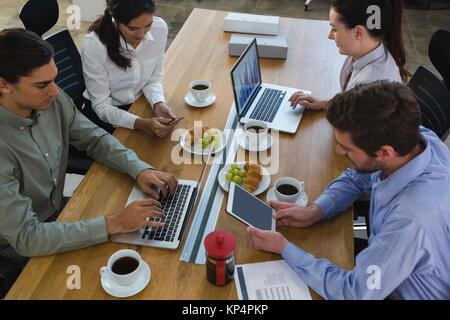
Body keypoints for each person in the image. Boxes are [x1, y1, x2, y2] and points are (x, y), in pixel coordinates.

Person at [0, 28, 178, 297]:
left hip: (55, 215)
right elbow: (27, 237)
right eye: (41, 85)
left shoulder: (52, 99)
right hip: (14, 246)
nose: (55, 92)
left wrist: (138, 168)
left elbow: (93, 138)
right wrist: (114, 223)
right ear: (4, 85)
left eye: (54, 80)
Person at [247, 81, 450, 299]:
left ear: (385, 152)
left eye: (347, 148)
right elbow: (358, 177)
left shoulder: (409, 223)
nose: (338, 150)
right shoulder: (414, 139)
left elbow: (353, 292)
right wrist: (316, 211)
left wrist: (285, 248)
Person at [81, 0, 177, 137]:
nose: (142, 35)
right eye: (132, 29)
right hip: (104, 117)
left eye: (148, 25)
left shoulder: (159, 29)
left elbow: (152, 79)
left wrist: (158, 103)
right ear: (116, 20)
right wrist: (141, 124)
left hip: (137, 105)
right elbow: (102, 107)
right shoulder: (94, 45)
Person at [289, 0, 408, 111]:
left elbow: (348, 128)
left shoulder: (370, 87)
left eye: (334, 29)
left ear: (358, 33)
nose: (330, 36)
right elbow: (351, 100)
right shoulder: (365, 52)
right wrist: (326, 103)